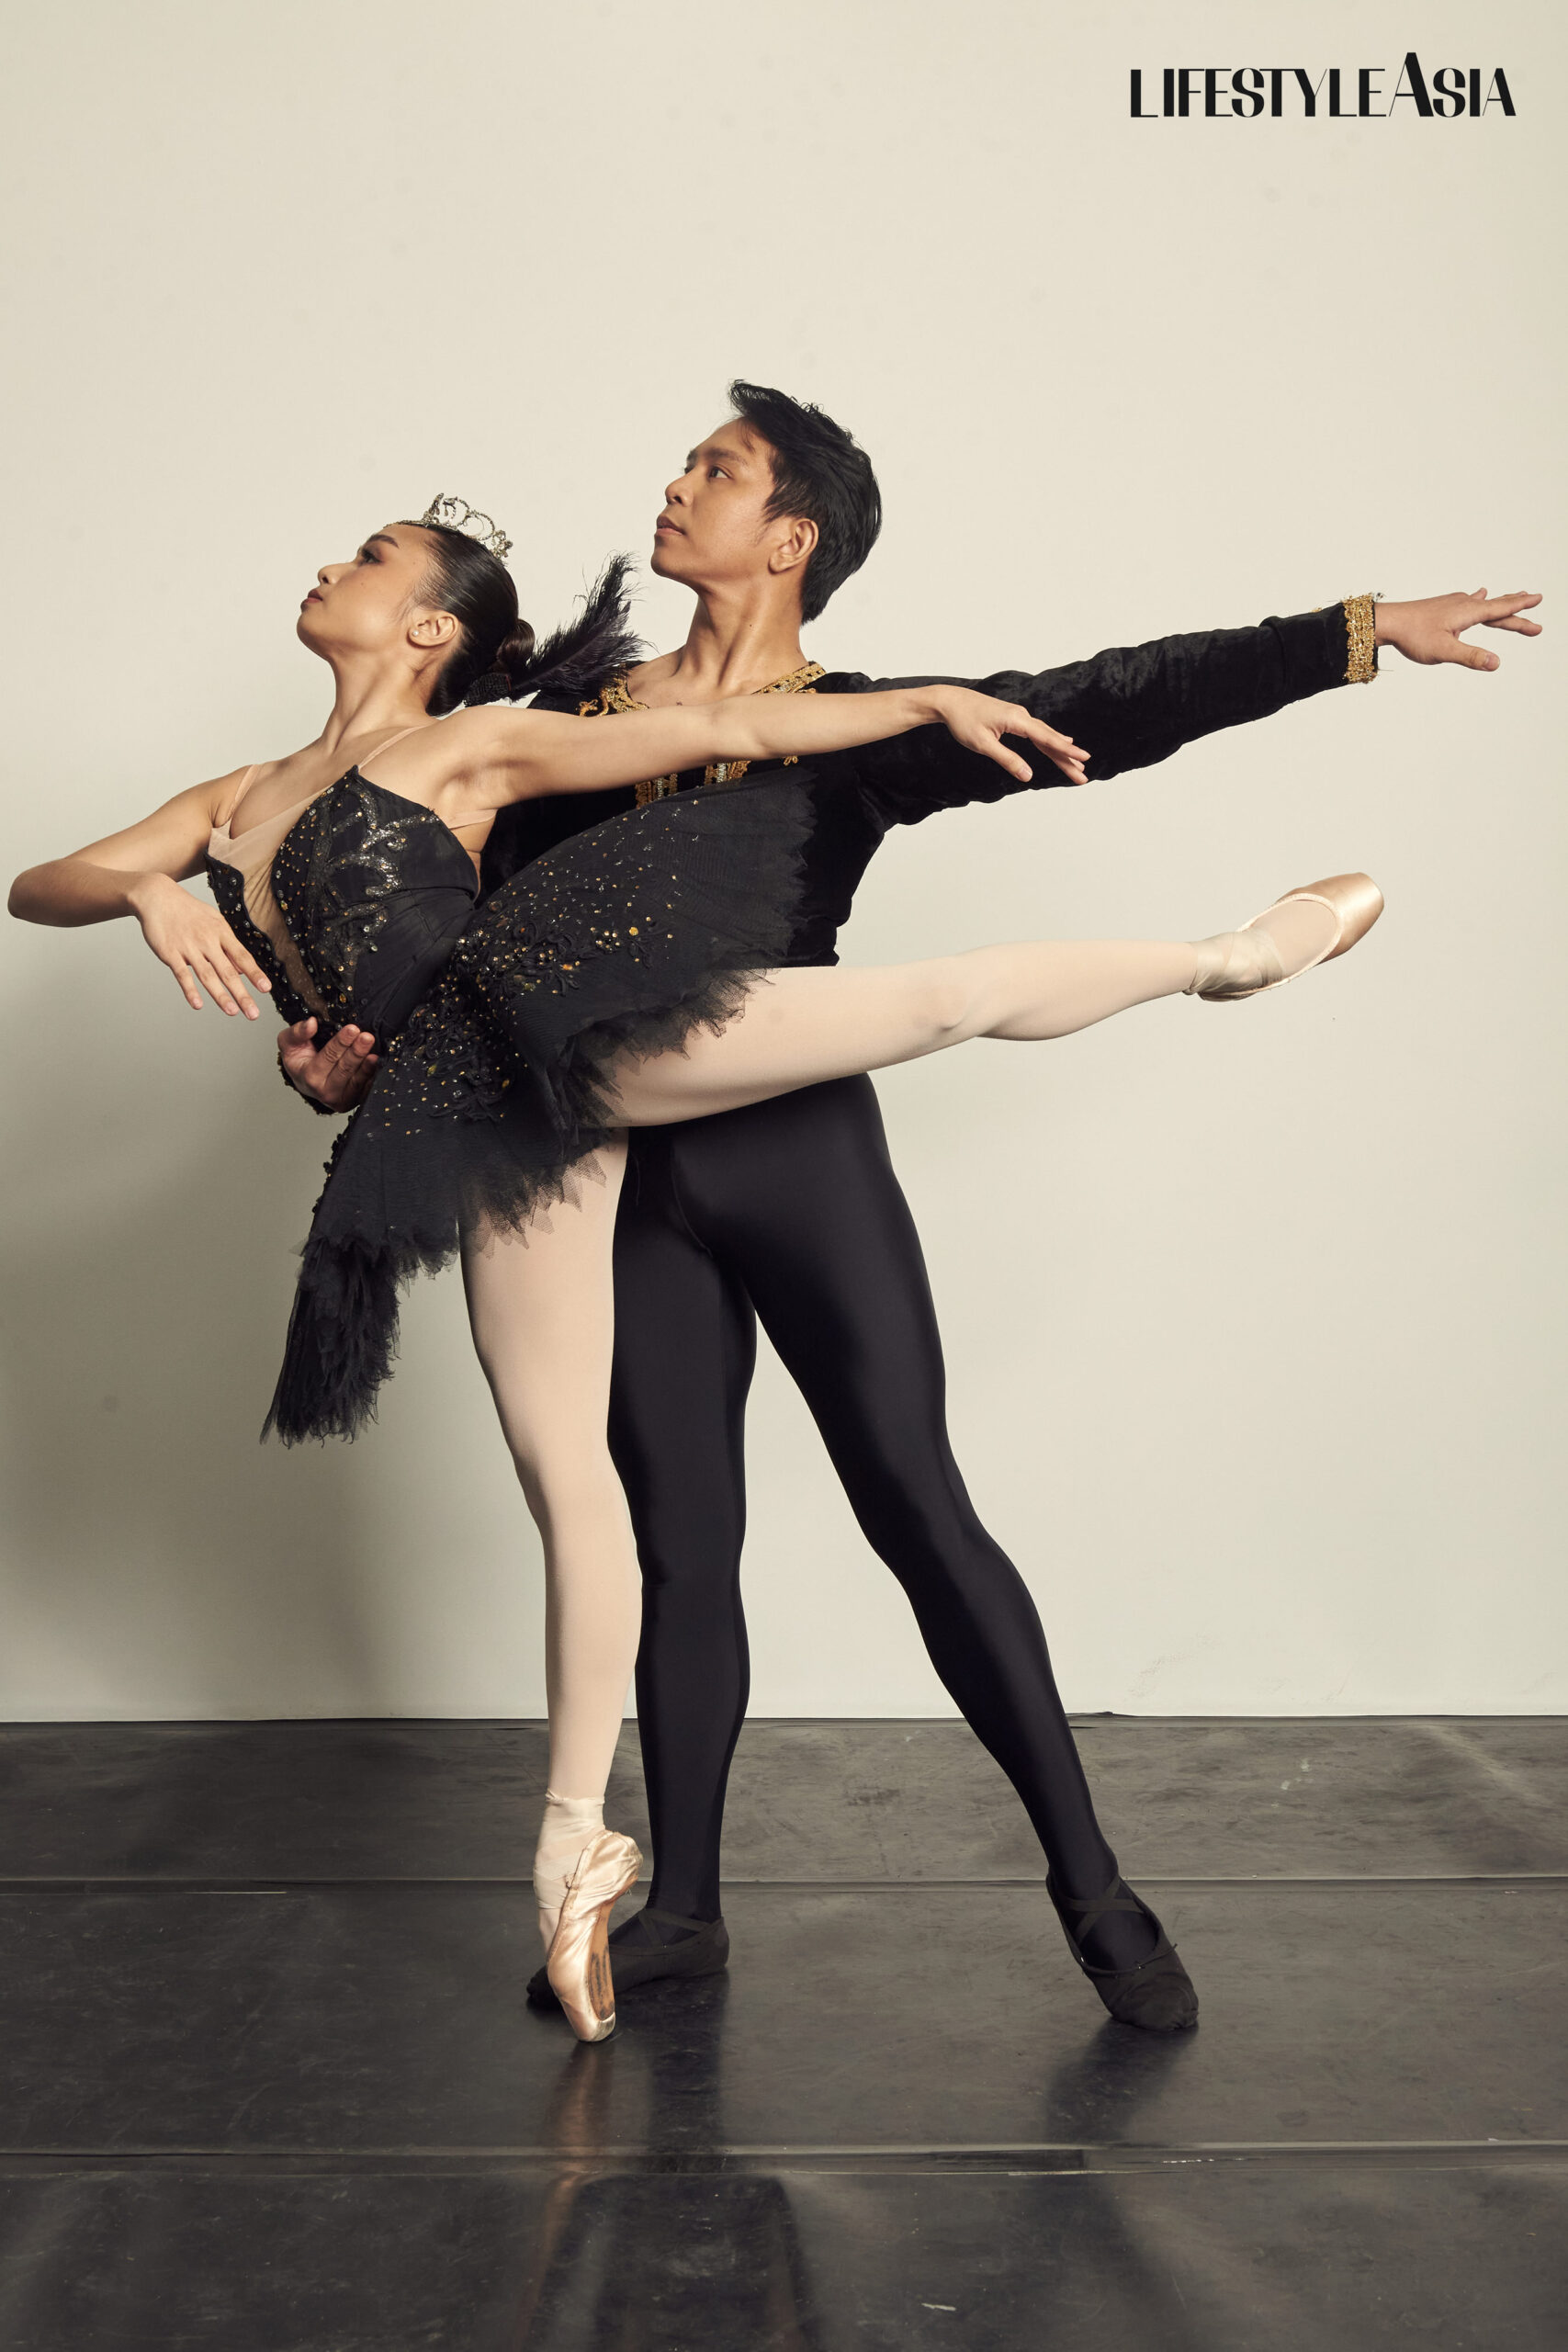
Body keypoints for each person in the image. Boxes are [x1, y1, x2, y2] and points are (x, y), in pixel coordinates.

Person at [10, 501, 1385, 2041]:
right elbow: (64, 885)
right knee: (596, 1494)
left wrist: (1305, 645)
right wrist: (184, 919)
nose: (332, 562)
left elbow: (812, 719)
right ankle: (604, 1864)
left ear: (430, 631)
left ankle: (1228, 959)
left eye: (374, 557)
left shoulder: (542, 746)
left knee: (926, 1261)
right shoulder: (331, 775)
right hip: (504, 1118)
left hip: (662, 1072)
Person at [281, 394, 1542, 2037]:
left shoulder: (869, 726)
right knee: (679, 1543)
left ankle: (1093, 1885)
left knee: (916, 1507)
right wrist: (343, 1054)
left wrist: (1358, 633)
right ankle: (681, 1911)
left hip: (791, 1141)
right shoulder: (568, 712)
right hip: (616, 1162)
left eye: (715, 473)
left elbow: (1120, 698)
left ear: (790, 538)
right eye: (685, 464)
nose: (674, 486)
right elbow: (429, 915)